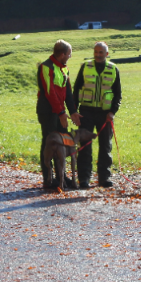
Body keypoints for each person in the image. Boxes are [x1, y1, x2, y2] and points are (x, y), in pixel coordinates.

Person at [72, 41, 122, 189]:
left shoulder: (114, 69)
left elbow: (118, 95)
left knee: (105, 146)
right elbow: (76, 90)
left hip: (105, 113)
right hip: (86, 111)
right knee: (85, 145)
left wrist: (113, 112)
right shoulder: (85, 67)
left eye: (101, 52)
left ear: (106, 54)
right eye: (96, 52)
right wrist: (74, 112)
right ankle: (84, 179)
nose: (98, 55)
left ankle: (104, 178)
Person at [36, 39, 82, 188]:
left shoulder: (64, 68)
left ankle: (61, 177)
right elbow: (50, 93)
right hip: (48, 111)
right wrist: (62, 113)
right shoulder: (46, 67)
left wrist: (73, 111)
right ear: (62, 54)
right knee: (50, 143)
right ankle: (48, 180)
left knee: (62, 143)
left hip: (59, 111)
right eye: (69, 54)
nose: (70, 56)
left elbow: (67, 92)